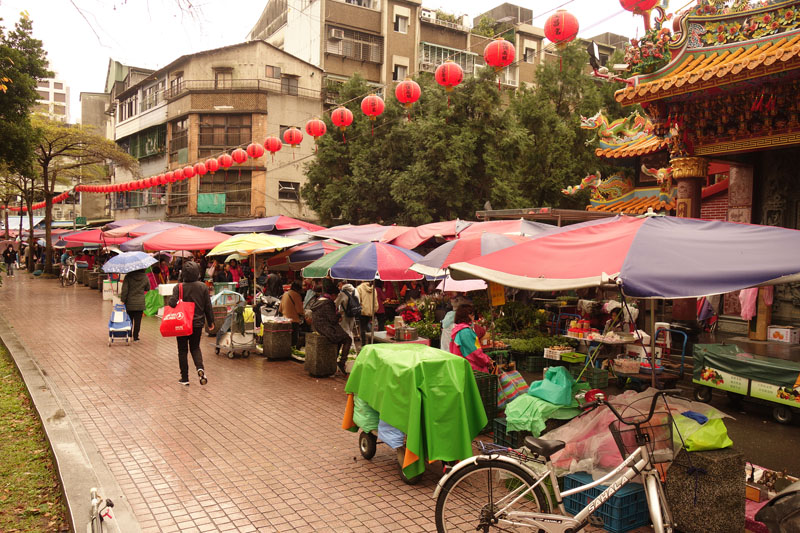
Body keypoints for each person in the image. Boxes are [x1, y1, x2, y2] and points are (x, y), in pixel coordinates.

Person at [168, 261, 215, 386]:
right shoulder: (203, 287)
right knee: (195, 347)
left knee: (182, 350)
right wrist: (210, 322)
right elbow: (208, 306)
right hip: (198, 324)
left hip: (182, 323)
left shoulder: (179, 287)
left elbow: (172, 303)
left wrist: (179, 283)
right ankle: (200, 368)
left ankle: (185, 378)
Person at [308, 278, 352, 375]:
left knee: (340, 339)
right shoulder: (328, 302)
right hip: (326, 328)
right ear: (333, 295)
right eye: (336, 296)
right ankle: (341, 362)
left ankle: (333, 361)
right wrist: (339, 316)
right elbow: (333, 320)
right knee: (348, 339)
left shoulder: (319, 300)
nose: (336, 298)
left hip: (318, 326)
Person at [449, 304, 494, 373]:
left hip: (461, 367)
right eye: (472, 315)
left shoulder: (457, 330)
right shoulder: (466, 331)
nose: (473, 318)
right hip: (472, 369)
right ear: (468, 316)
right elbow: (475, 353)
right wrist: (487, 360)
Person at [119, 268, 150, 342]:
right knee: (138, 320)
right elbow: (148, 288)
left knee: (129, 320)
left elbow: (125, 290)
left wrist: (123, 300)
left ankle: (129, 335)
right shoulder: (145, 277)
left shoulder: (128, 276)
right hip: (140, 302)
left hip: (130, 302)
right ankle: (136, 336)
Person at [279, 280, 304, 348]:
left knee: (287, 339)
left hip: (285, 320)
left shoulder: (285, 294)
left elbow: (280, 309)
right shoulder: (297, 295)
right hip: (294, 320)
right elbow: (299, 310)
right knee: (293, 340)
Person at [355, 281, 378, 346]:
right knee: (369, 326)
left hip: (363, 311)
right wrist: (375, 310)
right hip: (371, 311)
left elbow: (357, 300)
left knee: (363, 328)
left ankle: (363, 344)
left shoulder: (359, 288)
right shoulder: (373, 289)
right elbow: (375, 301)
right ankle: (370, 342)